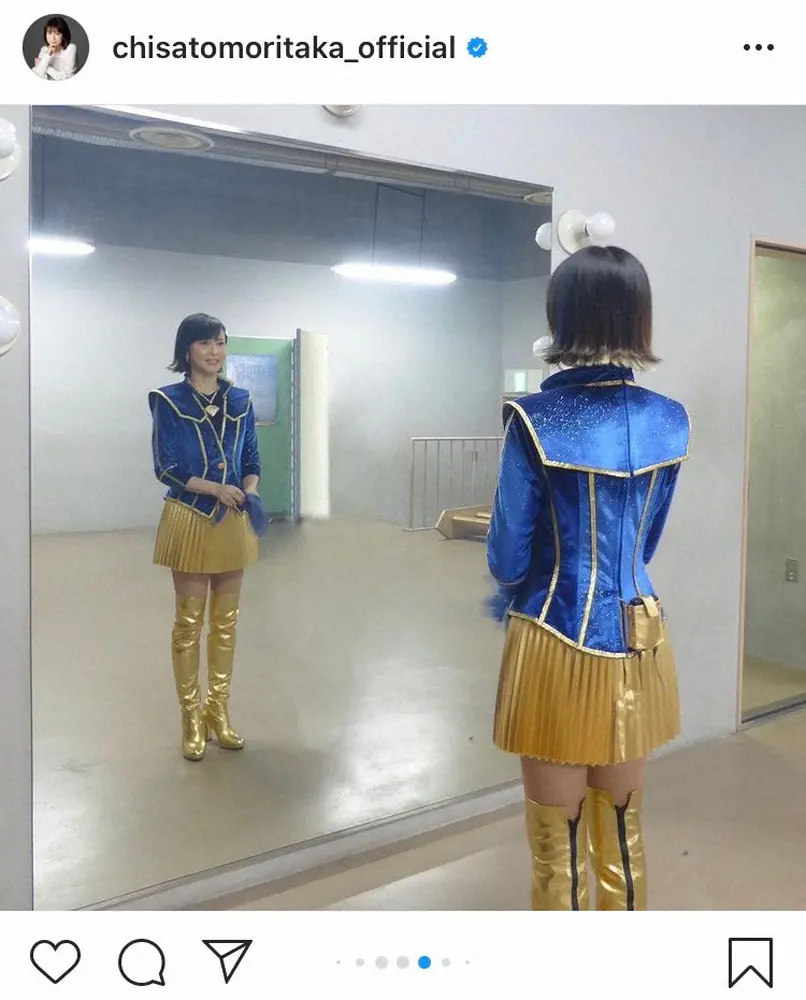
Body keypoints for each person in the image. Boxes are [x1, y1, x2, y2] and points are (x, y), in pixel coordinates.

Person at [486, 245, 690, 910]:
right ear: (639, 316)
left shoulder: (534, 419)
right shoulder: (670, 418)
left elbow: (507, 559)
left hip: (554, 640)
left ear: (562, 316)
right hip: (641, 639)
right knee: (624, 836)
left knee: (559, 847)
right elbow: (647, 542)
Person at [149, 313, 262, 761]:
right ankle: (191, 717)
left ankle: (218, 710)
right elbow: (166, 467)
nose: (214, 352)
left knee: (226, 623)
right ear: (187, 350)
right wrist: (215, 489)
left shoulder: (241, 400)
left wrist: (249, 491)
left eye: (220, 342)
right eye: (204, 343)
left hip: (232, 519)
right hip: (190, 518)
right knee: (189, 625)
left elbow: (251, 459)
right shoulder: (168, 400)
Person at [32, 16, 78, 81]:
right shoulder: (44, 49)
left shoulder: (71, 48)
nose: (53, 38)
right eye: (49, 33)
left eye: (57, 33)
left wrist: (46, 67)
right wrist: (47, 55)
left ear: (64, 35)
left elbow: (68, 77)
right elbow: (38, 75)